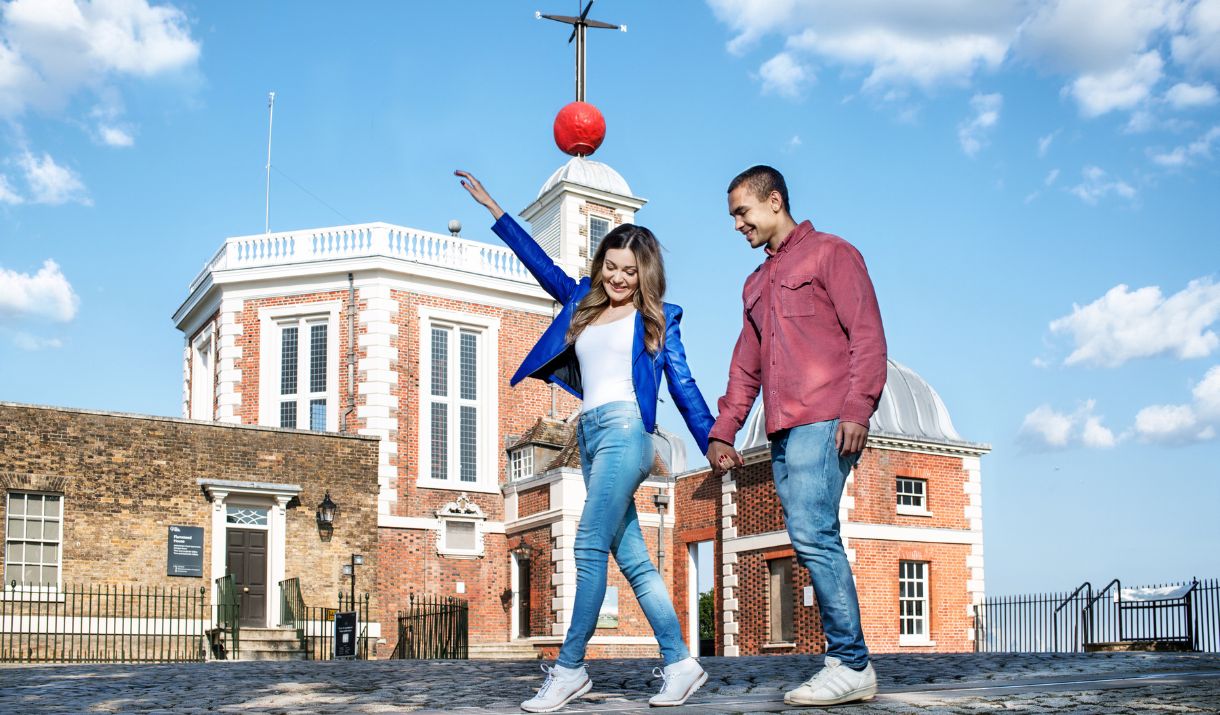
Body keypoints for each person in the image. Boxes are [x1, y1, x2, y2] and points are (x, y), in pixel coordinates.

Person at [455, 170, 727, 712]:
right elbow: (540, 266)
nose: (619, 277)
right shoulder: (582, 301)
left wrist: (714, 438)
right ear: (600, 264)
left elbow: (685, 384)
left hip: (628, 430)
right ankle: (681, 663)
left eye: (630, 270)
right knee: (636, 562)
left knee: (585, 548)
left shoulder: (658, 321)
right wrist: (494, 209)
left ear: (645, 273)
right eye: (611, 266)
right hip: (592, 433)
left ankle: (570, 669)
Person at [706, 165, 887, 707]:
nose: (737, 224)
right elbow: (746, 366)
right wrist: (724, 431)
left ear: (775, 200)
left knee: (812, 533)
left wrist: (859, 407)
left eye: (743, 212)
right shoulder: (756, 283)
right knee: (810, 535)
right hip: (783, 429)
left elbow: (869, 335)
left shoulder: (833, 254)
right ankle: (847, 661)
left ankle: (851, 663)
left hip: (828, 417)